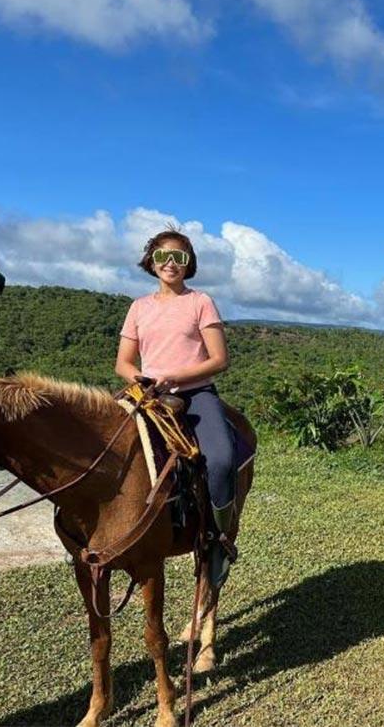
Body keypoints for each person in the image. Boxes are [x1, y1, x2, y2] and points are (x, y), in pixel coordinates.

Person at [115, 229, 238, 586]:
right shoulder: (139, 307)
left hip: (195, 395)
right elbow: (122, 362)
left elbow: (219, 359)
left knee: (221, 459)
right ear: (151, 262)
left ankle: (218, 538)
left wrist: (173, 376)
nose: (171, 263)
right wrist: (137, 376)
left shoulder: (200, 302)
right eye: (162, 256)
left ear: (189, 264)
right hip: (147, 395)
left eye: (180, 258)